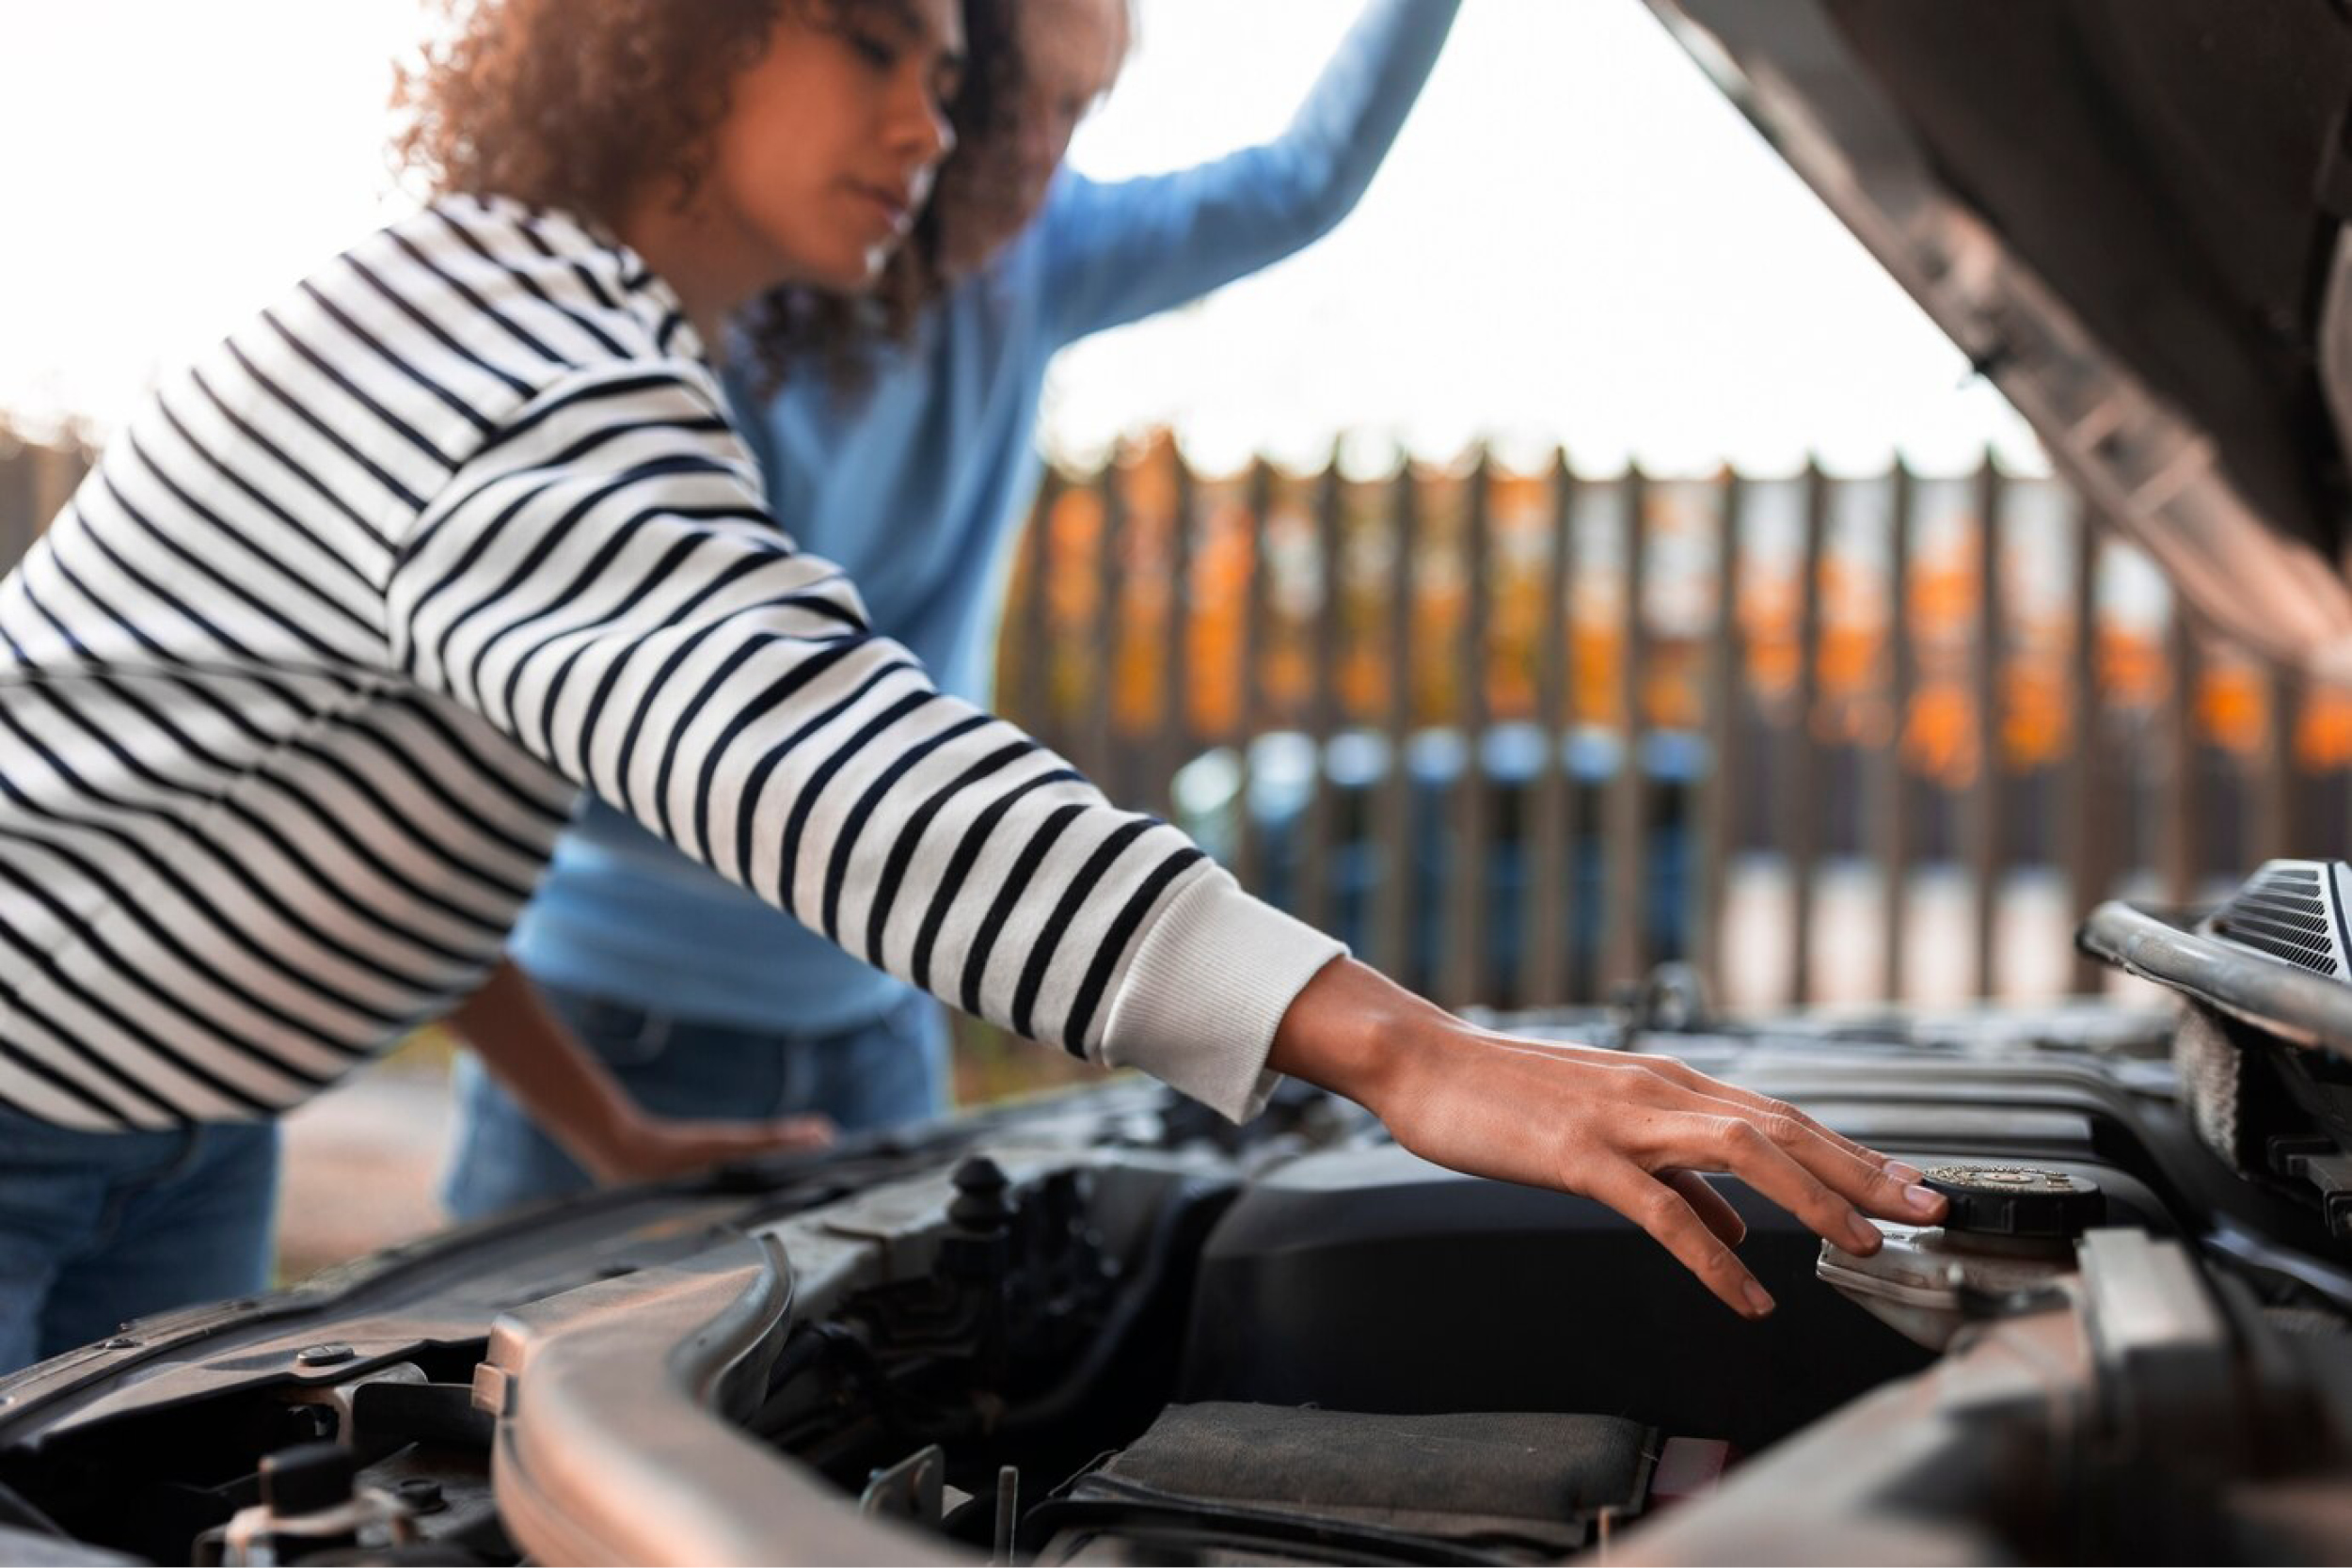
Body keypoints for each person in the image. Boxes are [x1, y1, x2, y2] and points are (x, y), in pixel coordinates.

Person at [0, 0, 1946, 1375]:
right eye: (866, 35)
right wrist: (1412, 1054)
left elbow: (370, 819)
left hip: (183, 1123)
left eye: (945, 66)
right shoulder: (499, 350)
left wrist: (605, 1128)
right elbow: (801, 739)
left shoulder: (565, 328)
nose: (930, 119)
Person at [444, 0, 1468, 1221]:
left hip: (878, 1001)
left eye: (1078, 111)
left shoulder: (1045, 254)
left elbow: (1304, 179)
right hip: (617, 1010)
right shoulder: (662, 320)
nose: (1030, 149)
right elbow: (756, 738)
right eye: (1001, 99)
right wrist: (1383, 1045)